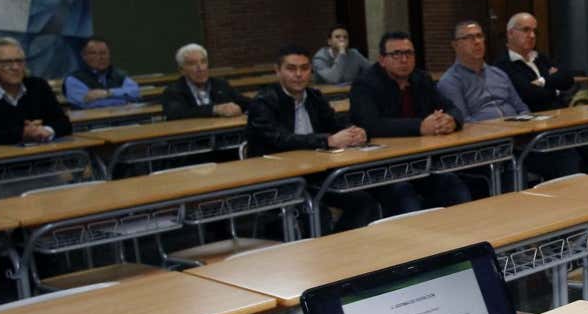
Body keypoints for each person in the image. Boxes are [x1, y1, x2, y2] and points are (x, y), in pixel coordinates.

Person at [245, 44, 377, 231]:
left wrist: (356, 132)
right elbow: (280, 139)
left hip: (315, 175)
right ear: (277, 71)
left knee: (363, 201)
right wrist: (327, 140)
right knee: (318, 213)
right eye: (291, 68)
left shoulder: (314, 97)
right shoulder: (263, 102)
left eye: (304, 68)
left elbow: (334, 124)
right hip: (278, 180)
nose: (299, 74)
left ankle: (341, 249)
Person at [438, 19, 580, 182]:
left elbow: (521, 107)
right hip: (486, 149)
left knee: (566, 155)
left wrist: (523, 129)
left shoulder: (498, 74)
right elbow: (464, 123)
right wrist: (501, 130)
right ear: (455, 45)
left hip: (520, 140)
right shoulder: (450, 81)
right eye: (469, 38)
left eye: (479, 36)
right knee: (514, 171)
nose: (476, 42)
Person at [349, 31, 471, 214]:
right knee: (404, 196)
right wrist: (420, 126)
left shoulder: (421, 79)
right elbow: (370, 125)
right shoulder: (365, 85)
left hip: (421, 162)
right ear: (382, 59)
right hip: (382, 169)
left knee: (453, 185)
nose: (404, 59)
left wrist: (451, 120)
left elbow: (451, 107)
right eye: (396, 54)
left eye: (409, 53)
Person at [494, 12, 588, 171]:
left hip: (564, 122)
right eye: (526, 30)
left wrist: (543, 81)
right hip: (536, 132)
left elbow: (567, 79)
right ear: (510, 33)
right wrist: (555, 88)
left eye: (535, 31)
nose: (532, 35)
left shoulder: (540, 58)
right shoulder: (503, 65)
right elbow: (530, 95)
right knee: (571, 163)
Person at [0, 36, 72, 146]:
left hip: (42, 157)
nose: (15, 67)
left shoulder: (38, 86)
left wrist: (46, 130)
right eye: (6, 62)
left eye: (19, 61)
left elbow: (64, 123)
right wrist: (22, 133)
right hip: (0, 159)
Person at [162, 43, 250, 120]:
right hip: (192, 137)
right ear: (182, 70)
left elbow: (244, 102)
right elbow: (177, 113)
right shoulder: (173, 91)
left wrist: (238, 108)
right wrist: (214, 109)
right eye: (192, 64)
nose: (200, 68)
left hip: (224, 136)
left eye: (203, 62)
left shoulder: (220, 84)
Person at [63, 36, 141, 109]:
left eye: (103, 53)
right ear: (84, 56)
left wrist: (108, 93)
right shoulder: (73, 79)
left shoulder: (119, 75)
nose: (99, 58)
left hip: (123, 119)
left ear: (109, 55)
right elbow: (87, 104)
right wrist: (123, 100)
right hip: (92, 121)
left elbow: (135, 93)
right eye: (93, 53)